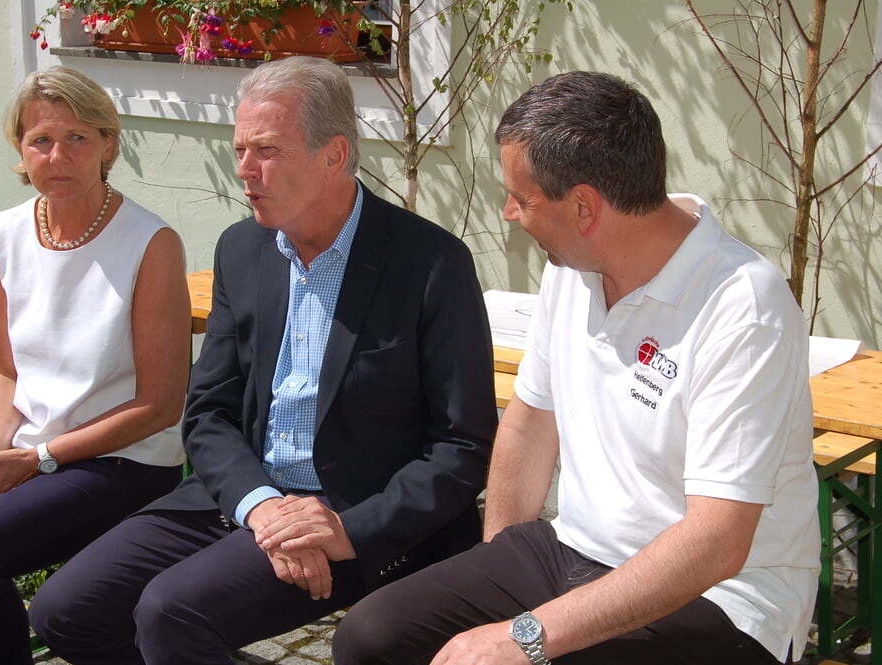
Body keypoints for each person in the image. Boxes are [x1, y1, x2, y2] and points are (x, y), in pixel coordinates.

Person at [332, 71, 819, 665]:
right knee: (370, 637)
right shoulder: (571, 269)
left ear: (584, 206)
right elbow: (531, 423)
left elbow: (716, 542)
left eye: (522, 198)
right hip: (573, 548)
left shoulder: (743, 306)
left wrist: (524, 635)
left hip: (724, 596)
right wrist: (497, 568)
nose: (509, 212)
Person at [28, 55, 497, 665]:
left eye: (267, 150)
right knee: (64, 611)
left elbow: (462, 445)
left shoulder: (429, 263)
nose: (245, 169)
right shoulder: (243, 249)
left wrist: (347, 531)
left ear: (334, 155)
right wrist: (261, 505)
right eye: (240, 149)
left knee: (171, 613)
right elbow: (209, 412)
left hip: (355, 514)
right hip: (246, 497)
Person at [0, 66, 190, 665]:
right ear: (21, 150)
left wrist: (38, 458)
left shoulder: (150, 243)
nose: (58, 156)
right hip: (21, 451)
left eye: (77, 138)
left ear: (108, 144)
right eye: (41, 140)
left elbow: (160, 405)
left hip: (122, 459)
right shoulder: (3, 233)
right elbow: (2, 368)